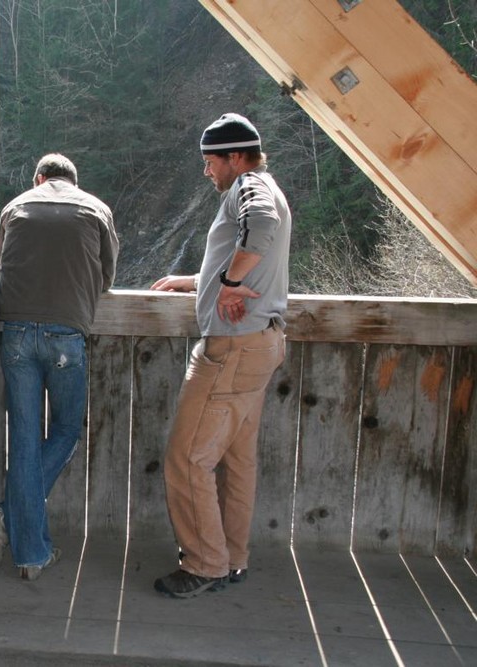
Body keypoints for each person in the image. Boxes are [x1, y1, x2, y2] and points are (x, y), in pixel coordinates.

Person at [150, 113, 291, 599]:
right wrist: (202, 280)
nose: (207, 172)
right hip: (260, 344)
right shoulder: (262, 183)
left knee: (187, 458)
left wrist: (229, 283)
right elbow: (251, 245)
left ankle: (205, 564)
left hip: (233, 348)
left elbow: (261, 227)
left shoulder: (250, 186)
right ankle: (232, 558)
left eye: (210, 162)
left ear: (234, 157)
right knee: (236, 458)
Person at [0, 153, 119, 580]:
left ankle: (25, 540)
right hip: (67, 333)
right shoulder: (96, 208)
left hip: (14, 333)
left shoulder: (15, 207)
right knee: (65, 429)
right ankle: (25, 532)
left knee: (24, 439)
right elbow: (106, 277)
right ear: (73, 181)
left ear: (40, 178)